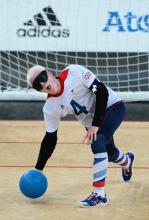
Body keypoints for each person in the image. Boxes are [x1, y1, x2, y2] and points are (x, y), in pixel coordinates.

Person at [26, 64, 135, 207]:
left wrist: (95, 125)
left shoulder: (74, 72)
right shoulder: (50, 107)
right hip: (92, 124)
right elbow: (50, 138)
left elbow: (101, 91)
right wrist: (38, 169)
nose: (43, 84)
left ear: (50, 73)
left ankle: (99, 194)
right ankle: (127, 161)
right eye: (37, 85)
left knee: (98, 140)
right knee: (109, 151)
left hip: (111, 106)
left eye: (43, 77)